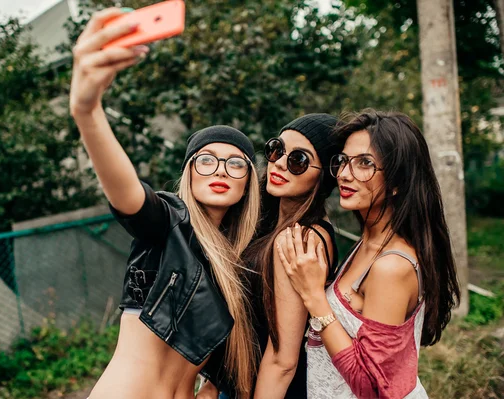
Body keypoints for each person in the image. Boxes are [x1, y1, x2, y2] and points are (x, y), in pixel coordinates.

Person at [69, 8, 260, 399]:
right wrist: (88, 112)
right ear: (189, 172)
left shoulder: (238, 265)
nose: (219, 169)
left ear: (247, 184)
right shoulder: (170, 221)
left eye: (235, 163)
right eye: (206, 159)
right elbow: (128, 197)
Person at [277, 110, 460, 398]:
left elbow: (372, 387)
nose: (345, 175)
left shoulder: (392, 266)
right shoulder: (368, 242)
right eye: (343, 161)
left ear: (398, 182)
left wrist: (314, 296)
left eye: (365, 164)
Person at [200, 114, 342, 398]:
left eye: (298, 160)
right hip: (236, 384)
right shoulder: (265, 222)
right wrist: (214, 381)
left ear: (324, 175)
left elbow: (282, 361)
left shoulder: (302, 240)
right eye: (277, 149)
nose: (279, 163)